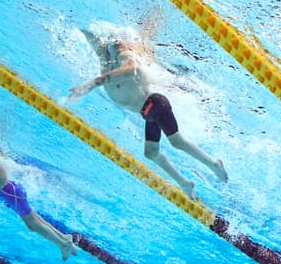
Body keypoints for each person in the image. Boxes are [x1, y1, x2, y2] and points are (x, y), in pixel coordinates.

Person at [70, 27, 227, 198]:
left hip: (155, 104)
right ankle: (184, 183)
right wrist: (79, 26)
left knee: (177, 141)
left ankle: (214, 165)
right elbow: (95, 43)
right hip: (147, 113)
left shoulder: (124, 54)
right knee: (150, 153)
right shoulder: (107, 61)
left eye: (114, 41)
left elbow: (132, 69)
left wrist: (92, 84)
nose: (110, 43)